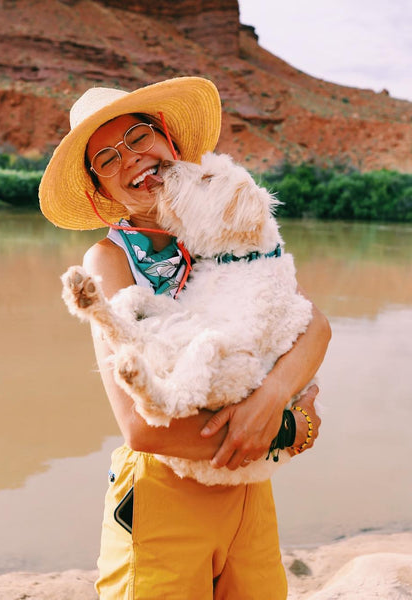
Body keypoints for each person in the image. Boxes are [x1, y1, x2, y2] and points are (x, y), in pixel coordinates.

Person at [39, 77, 331, 599]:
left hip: (249, 491)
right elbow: (142, 429)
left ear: (170, 142)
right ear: (100, 192)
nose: (129, 158)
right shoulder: (109, 262)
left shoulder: (217, 217)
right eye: (106, 158)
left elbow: (314, 325)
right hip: (163, 496)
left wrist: (269, 397)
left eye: (138, 136)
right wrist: (287, 427)